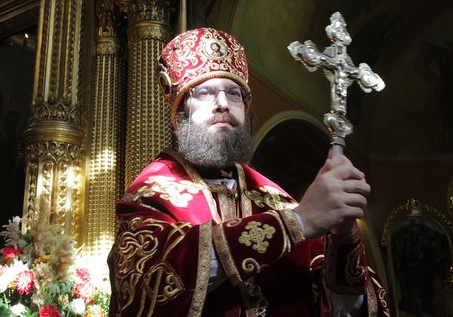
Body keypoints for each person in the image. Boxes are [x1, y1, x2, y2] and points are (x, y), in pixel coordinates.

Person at [108, 28, 390, 316]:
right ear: (180, 112)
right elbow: (149, 285)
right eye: (204, 92)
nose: (222, 103)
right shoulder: (152, 194)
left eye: (234, 93)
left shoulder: (277, 199)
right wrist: (298, 222)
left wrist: (342, 238)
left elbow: (343, 310)